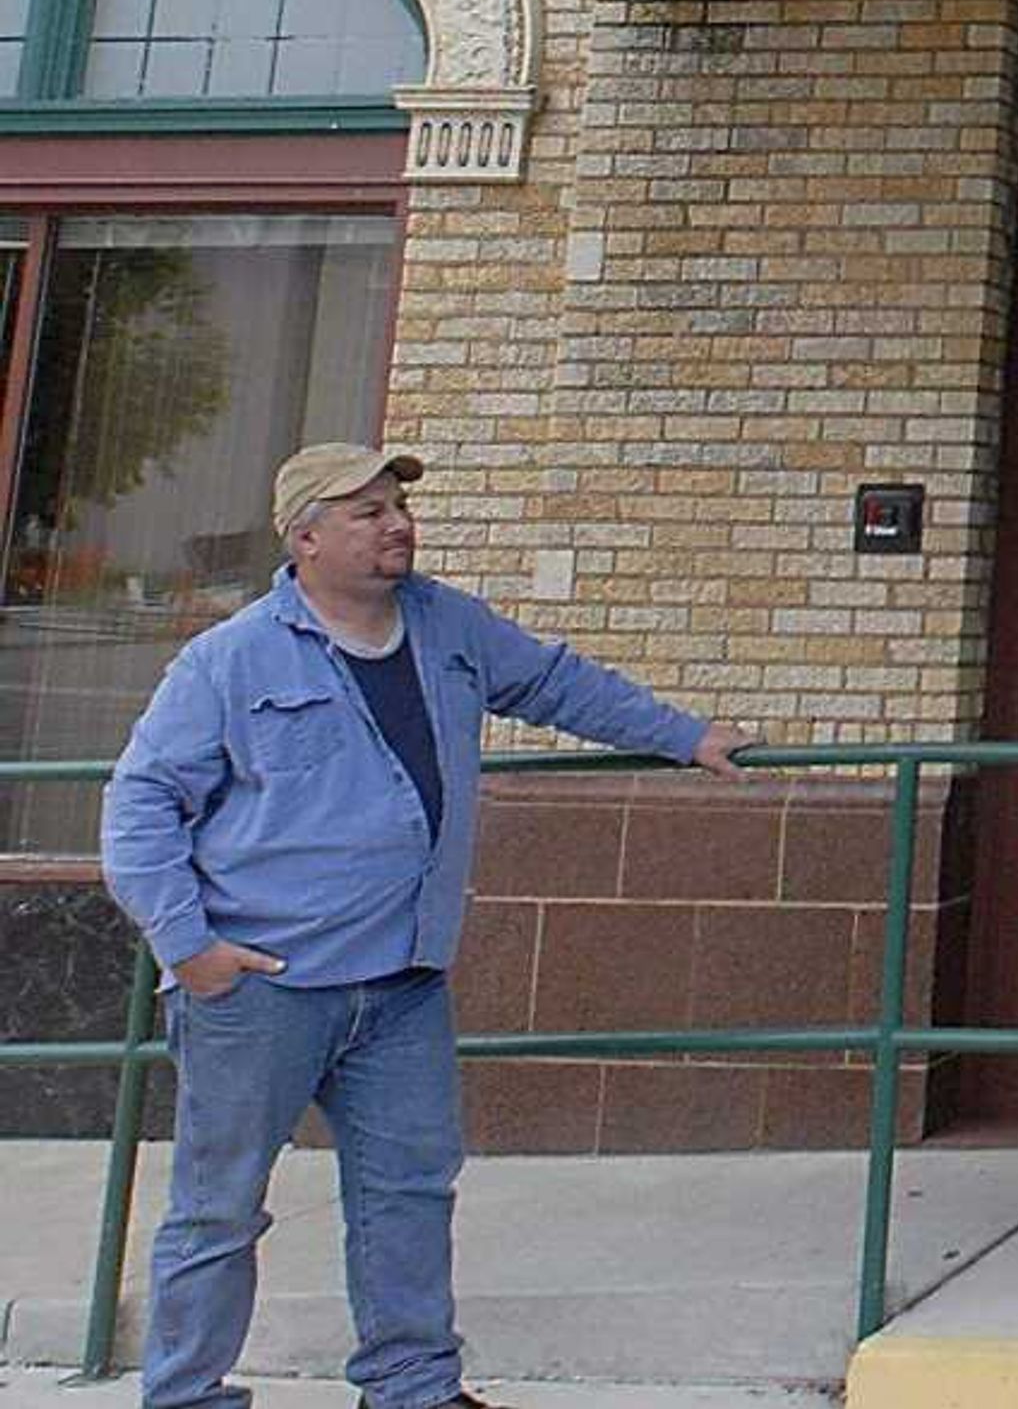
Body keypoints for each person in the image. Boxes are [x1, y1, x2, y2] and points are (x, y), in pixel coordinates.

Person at [101, 444, 755, 1409]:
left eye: (397, 505)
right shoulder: (233, 658)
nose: (396, 524)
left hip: (402, 983)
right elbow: (142, 803)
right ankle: (188, 1394)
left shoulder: (448, 625)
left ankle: (412, 1386)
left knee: (408, 1193)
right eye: (366, 511)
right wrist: (190, 948)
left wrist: (687, 736)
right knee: (220, 1208)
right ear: (305, 536)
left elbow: (558, 683)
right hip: (262, 985)